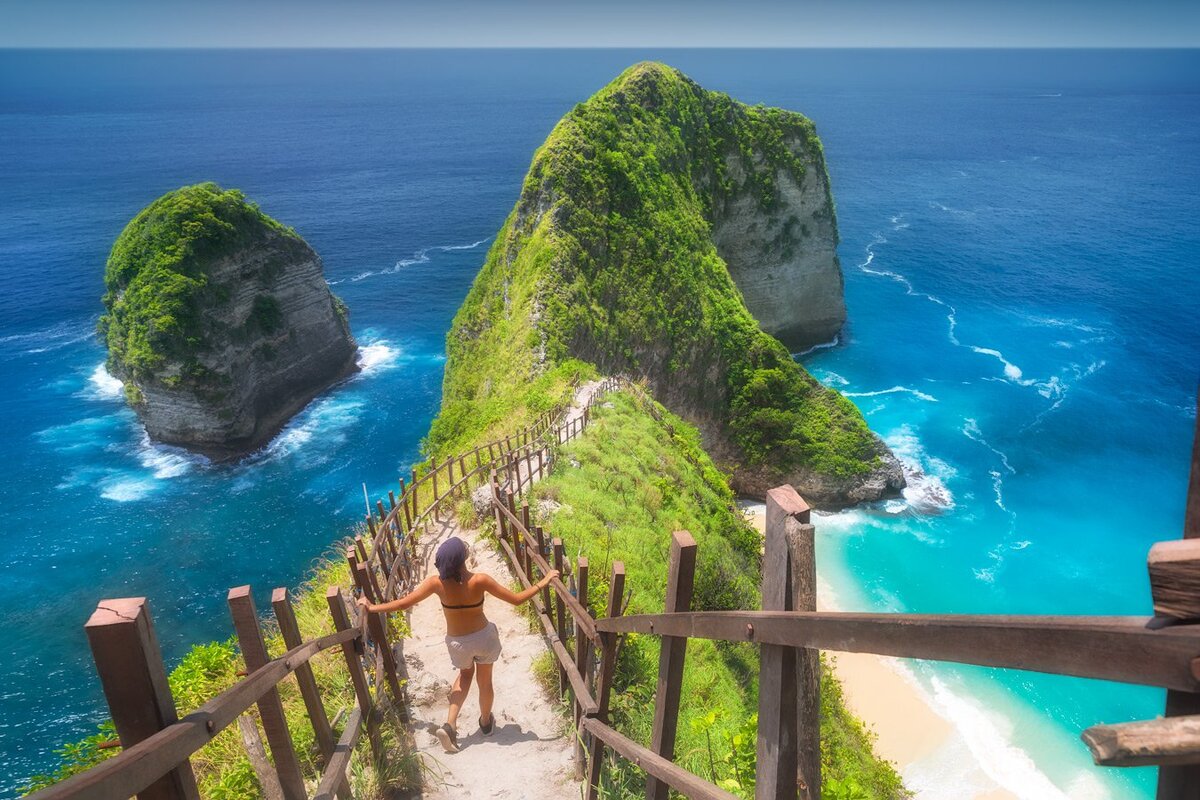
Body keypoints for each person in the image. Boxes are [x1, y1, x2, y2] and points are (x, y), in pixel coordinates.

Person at [357, 536, 559, 753]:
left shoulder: (436, 584)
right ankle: (485, 722)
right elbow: (517, 599)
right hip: (484, 638)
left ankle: (450, 724)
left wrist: (372, 607)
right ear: (464, 559)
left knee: (464, 676)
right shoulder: (480, 580)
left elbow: (405, 603)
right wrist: (543, 581)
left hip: (458, 643)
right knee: (485, 681)